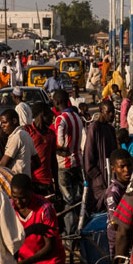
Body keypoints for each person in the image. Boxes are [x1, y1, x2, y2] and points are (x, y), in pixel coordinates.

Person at [11, 173, 65, 264]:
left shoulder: (45, 209)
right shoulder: (11, 207)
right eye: (15, 197)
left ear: (31, 192)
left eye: (22, 198)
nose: (18, 202)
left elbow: (49, 246)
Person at [52, 89, 83, 236]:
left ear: (57, 102)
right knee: (77, 199)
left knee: (68, 201)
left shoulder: (61, 119)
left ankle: (70, 234)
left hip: (65, 164)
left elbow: (60, 143)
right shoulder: (77, 117)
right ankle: (79, 229)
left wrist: (56, 149)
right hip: (78, 163)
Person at [83, 100, 118, 212]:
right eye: (109, 112)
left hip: (110, 178)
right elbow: (88, 158)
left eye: (113, 111)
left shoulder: (111, 129)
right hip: (99, 181)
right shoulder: (94, 128)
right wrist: (99, 179)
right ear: (101, 111)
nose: (112, 114)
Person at [104, 148, 133, 256]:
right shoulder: (113, 192)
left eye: (129, 165)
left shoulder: (132, 187)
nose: (127, 170)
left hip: (132, 241)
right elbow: (115, 222)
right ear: (113, 169)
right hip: (118, 243)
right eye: (122, 167)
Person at [25, 103, 57, 196]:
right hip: (31, 182)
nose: (53, 118)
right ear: (43, 114)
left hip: (47, 183)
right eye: (51, 115)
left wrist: (57, 186)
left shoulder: (51, 134)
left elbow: (53, 160)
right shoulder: (27, 131)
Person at [0, 109, 34, 177]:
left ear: (14, 121)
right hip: (25, 179)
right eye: (1, 123)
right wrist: (25, 172)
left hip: (16, 181)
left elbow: (3, 164)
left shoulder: (17, 136)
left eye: (5, 122)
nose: (2, 126)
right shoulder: (26, 134)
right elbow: (37, 162)